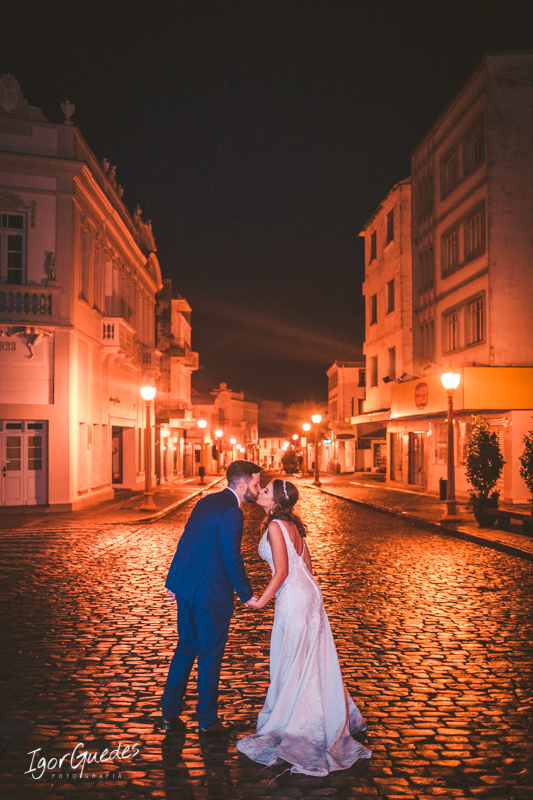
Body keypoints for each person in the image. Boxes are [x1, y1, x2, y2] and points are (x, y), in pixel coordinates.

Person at [237, 479, 371, 776]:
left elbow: (283, 570)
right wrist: (306, 595)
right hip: (309, 592)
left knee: (293, 657)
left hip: (294, 596)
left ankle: (295, 720)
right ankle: (317, 713)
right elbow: (307, 569)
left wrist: (262, 601)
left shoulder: (275, 526)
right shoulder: (293, 526)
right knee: (309, 656)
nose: (259, 491)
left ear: (276, 501)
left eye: (266, 490)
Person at [161, 460, 262, 734]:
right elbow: (232, 557)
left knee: (185, 648)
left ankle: (169, 712)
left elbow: (187, 540)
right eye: (256, 484)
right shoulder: (232, 512)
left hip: (188, 589)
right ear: (242, 485)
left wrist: (174, 581)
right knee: (209, 656)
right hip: (211, 595)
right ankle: (207, 720)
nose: (258, 489)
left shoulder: (206, 501)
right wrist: (247, 595)